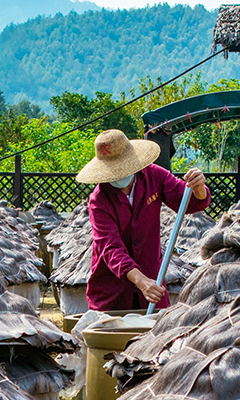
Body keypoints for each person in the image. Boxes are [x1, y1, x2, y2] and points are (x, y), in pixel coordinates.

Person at [77, 129, 210, 311]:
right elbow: (111, 249)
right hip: (112, 293)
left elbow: (188, 202)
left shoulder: (155, 176)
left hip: (152, 283)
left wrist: (199, 187)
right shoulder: (99, 200)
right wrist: (140, 281)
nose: (120, 174)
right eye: (114, 171)